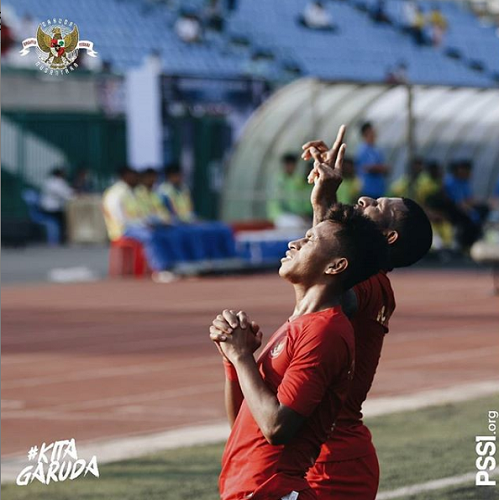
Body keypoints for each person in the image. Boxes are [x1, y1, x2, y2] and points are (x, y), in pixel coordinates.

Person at [210, 203, 389, 500]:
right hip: (251, 490)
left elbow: (277, 427)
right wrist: (233, 360)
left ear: (336, 266)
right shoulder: (301, 324)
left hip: (274, 491)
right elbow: (245, 421)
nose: (294, 243)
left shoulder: (325, 331)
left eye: (310, 240)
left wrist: (242, 357)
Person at [299, 127, 432, 500]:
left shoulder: (371, 285)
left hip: (331, 459)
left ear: (388, 237)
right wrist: (323, 202)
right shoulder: (372, 281)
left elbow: (321, 279)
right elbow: (324, 269)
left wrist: (323, 202)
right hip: (327, 452)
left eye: (378, 207)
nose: (365, 198)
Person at [102, 166, 183, 279]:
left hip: (137, 226)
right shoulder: (116, 193)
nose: (137, 179)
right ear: (125, 176)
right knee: (150, 236)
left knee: (167, 232)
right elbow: (120, 219)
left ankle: (175, 264)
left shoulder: (133, 191)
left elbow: (142, 214)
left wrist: (150, 222)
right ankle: (159, 270)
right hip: (123, 230)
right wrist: (143, 225)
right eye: (134, 176)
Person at [157, 163, 236, 260]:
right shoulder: (164, 192)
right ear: (170, 176)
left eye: (181, 175)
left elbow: (189, 211)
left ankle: (227, 258)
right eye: (177, 175)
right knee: (197, 233)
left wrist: (195, 219)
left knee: (222, 228)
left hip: (190, 221)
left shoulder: (183, 189)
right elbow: (167, 215)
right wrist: (183, 221)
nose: (180, 178)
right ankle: (200, 260)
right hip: (178, 224)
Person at [268, 153, 312, 228]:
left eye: (292, 164)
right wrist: (298, 214)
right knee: (298, 224)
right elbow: (281, 203)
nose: (291, 167)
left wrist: (304, 213)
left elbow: (300, 200)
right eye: (288, 164)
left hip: (296, 215)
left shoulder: (297, 180)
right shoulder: (279, 181)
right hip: (280, 214)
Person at [39, 167, 74, 243]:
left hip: (48, 207)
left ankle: (61, 238)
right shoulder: (56, 182)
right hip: (51, 208)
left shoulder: (49, 181)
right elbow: (66, 194)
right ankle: (62, 239)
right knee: (65, 219)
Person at [355, 122, 389, 199]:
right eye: (371, 131)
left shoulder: (377, 150)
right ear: (365, 133)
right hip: (367, 189)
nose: (374, 133)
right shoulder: (362, 149)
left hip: (379, 189)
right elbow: (366, 167)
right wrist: (381, 168)